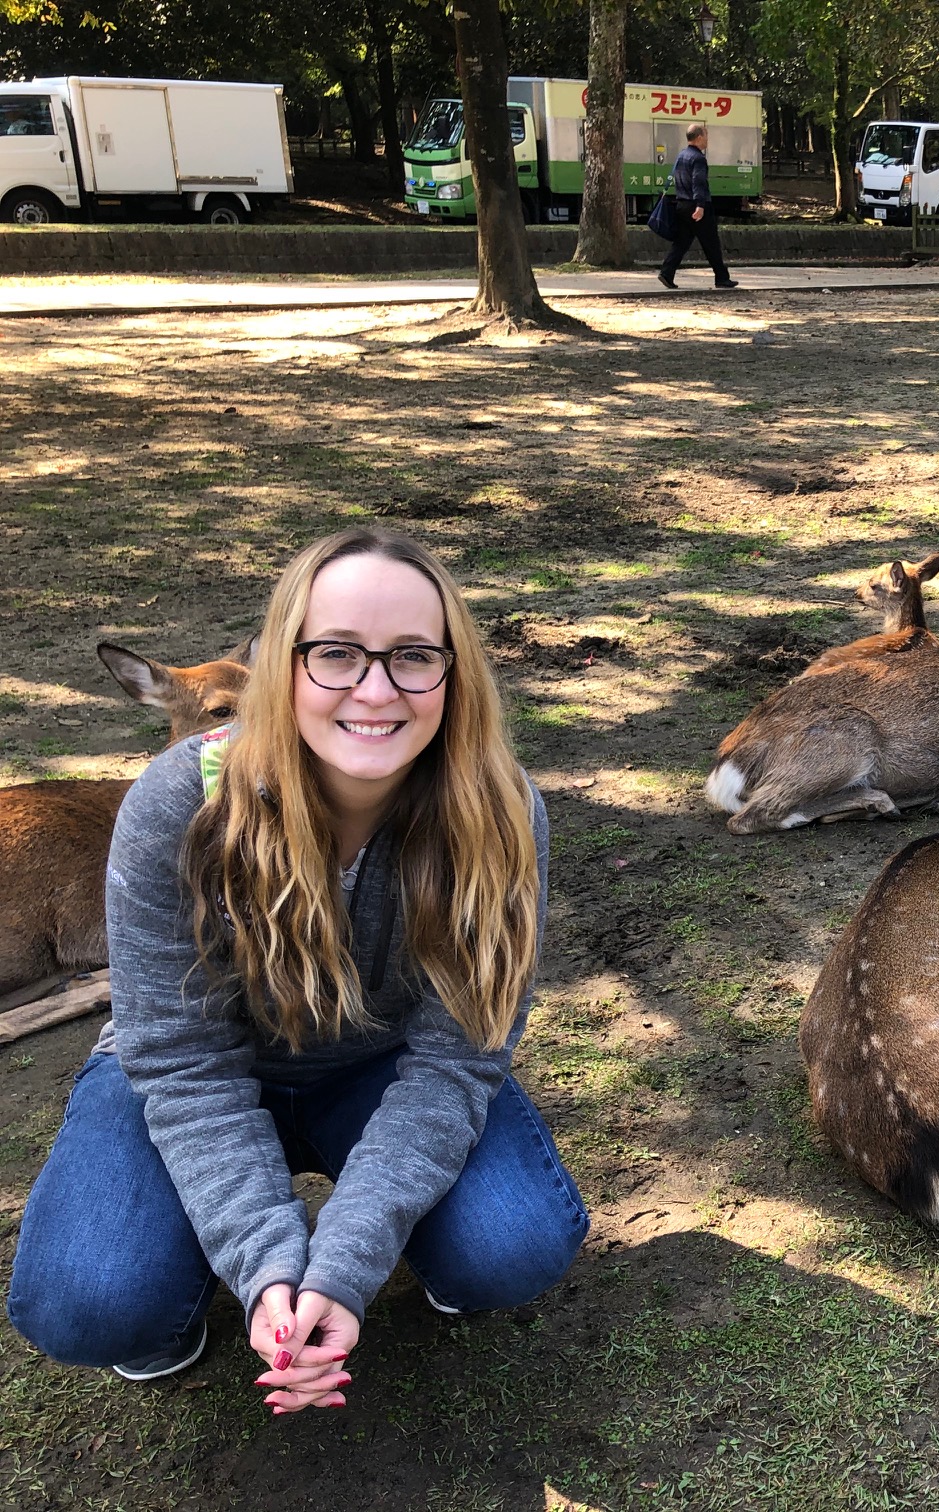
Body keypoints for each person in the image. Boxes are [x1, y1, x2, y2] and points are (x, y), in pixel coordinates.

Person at [6, 527, 584, 1410]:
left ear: (454, 673)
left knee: (509, 1249)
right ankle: (181, 1296)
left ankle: (394, 1233)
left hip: (381, 1064)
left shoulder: (499, 813)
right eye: (337, 654)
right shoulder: (178, 802)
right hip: (191, 1075)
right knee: (89, 1305)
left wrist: (344, 1265)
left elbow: (458, 1057)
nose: (376, 689)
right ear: (284, 667)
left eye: (414, 657)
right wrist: (265, 1263)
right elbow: (182, 1063)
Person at [658, 121, 737, 291]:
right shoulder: (699, 158)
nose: (707, 140)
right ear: (699, 137)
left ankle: (667, 272)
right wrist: (700, 205)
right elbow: (698, 182)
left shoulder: (681, 156)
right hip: (697, 206)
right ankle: (722, 278)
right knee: (711, 243)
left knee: (682, 241)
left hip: (681, 204)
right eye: (706, 136)